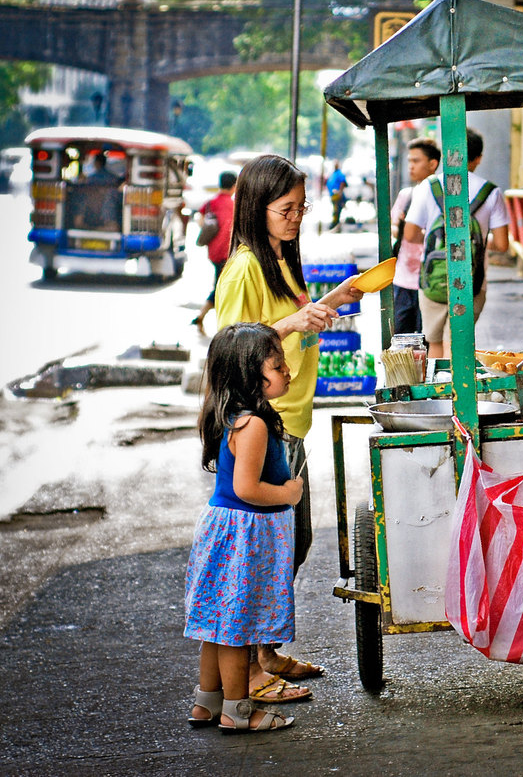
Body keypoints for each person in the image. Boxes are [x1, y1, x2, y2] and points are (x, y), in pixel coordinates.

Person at [215, 154, 363, 704]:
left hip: (291, 420)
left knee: (289, 544)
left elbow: (284, 327)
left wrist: (329, 303)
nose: (296, 217)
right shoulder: (245, 267)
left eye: (302, 207)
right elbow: (231, 347)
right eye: (285, 209)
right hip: (264, 427)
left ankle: (265, 654)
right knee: (266, 550)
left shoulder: (280, 260)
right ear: (257, 207)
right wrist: (294, 322)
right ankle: (249, 675)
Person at [184, 322, 299, 733]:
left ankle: (206, 703)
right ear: (250, 374)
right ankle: (237, 711)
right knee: (236, 629)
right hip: (245, 535)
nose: (288, 372)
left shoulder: (233, 415)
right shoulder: (253, 425)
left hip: (230, 531)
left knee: (217, 625)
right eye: (278, 364)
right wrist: (288, 492)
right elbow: (246, 488)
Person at [398, 128, 509, 359]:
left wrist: (438, 240)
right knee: (459, 341)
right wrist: (472, 241)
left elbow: (409, 235)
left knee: (435, 342)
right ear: (478, 158)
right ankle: (461, 389)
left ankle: (441, 392)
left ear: (448, 154)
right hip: (474, 280)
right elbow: (501, 244)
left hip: (433, 281)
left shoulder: (429, 187)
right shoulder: (491, 192)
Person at [390, 137, 441, 334]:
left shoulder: (440, 196)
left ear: (432, 164)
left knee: (427, 338)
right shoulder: (407, 195)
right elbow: (394, 229)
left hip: (431, 281)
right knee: (401, 338)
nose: (411, 166)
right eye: (409, 161)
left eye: (416, 161)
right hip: (403, 278)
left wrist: (419, 233)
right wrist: (403, 228)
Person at [191, 171, 237, 334]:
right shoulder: (234, 206)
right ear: (234, 186)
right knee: (222, 288)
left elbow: (200, 217)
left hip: (213, 251)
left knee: (221, 285)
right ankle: (205, 318)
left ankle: (204, 318)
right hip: (227, 253)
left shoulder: (211, 202)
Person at [325, 160, 347, 229]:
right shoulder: (333, 174)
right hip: (333, 195)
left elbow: (343, 183)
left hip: (337, 194)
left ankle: (335, 224)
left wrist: (340, 192)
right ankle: (336, 224)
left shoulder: (339, 174)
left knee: (337, 210)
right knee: (335, 209)